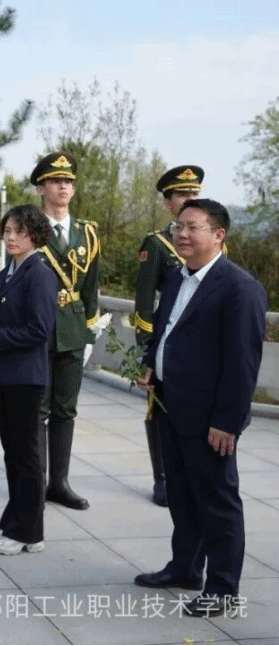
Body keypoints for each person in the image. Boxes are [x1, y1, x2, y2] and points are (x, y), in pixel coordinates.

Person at [133, 198, 267, 618]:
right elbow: (164, 330)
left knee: (217, 503)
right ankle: (186, 569)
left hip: (210, 418)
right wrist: (150, 365)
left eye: (193, 227)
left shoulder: (239, 287)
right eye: (178, 227)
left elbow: (243, 365)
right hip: (170, 405)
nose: (182, 234)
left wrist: (228, 421)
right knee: (182, 495)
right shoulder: (177, 278)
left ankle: (223, 589)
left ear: (219, 234)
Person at [0, 205, 57, 556]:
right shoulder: (9, 272)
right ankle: (16, 523)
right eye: (7, 230)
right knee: (14, 455)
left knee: (27, 457)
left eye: (18, 231)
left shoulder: (40, 274)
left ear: (34, 234)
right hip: (3, 375)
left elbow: (39, 331)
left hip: (26, 379)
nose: (10, 237)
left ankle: (28, 532)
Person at [30, 152, 100, 510]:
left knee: (65, 409)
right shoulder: (28, 229)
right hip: (38, 328)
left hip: (72, 328)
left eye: (69, 181)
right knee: (37, 409)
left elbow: (92, 288)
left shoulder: (87, 232)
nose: (63, 187)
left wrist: (89, 332)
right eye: (56, 181)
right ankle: (36, 484)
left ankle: (59, 483)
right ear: (41, 188)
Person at [132, 165, 203, 507]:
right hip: (167, 343)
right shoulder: (158, 244)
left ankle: (192, 474)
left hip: (202, 344)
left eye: (194, 193)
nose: (190, 199)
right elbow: (144, 304)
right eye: (182, 194)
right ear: (168, 203)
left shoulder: (214, 243)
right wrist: (145, 353)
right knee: (159, 411)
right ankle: (162, 477)